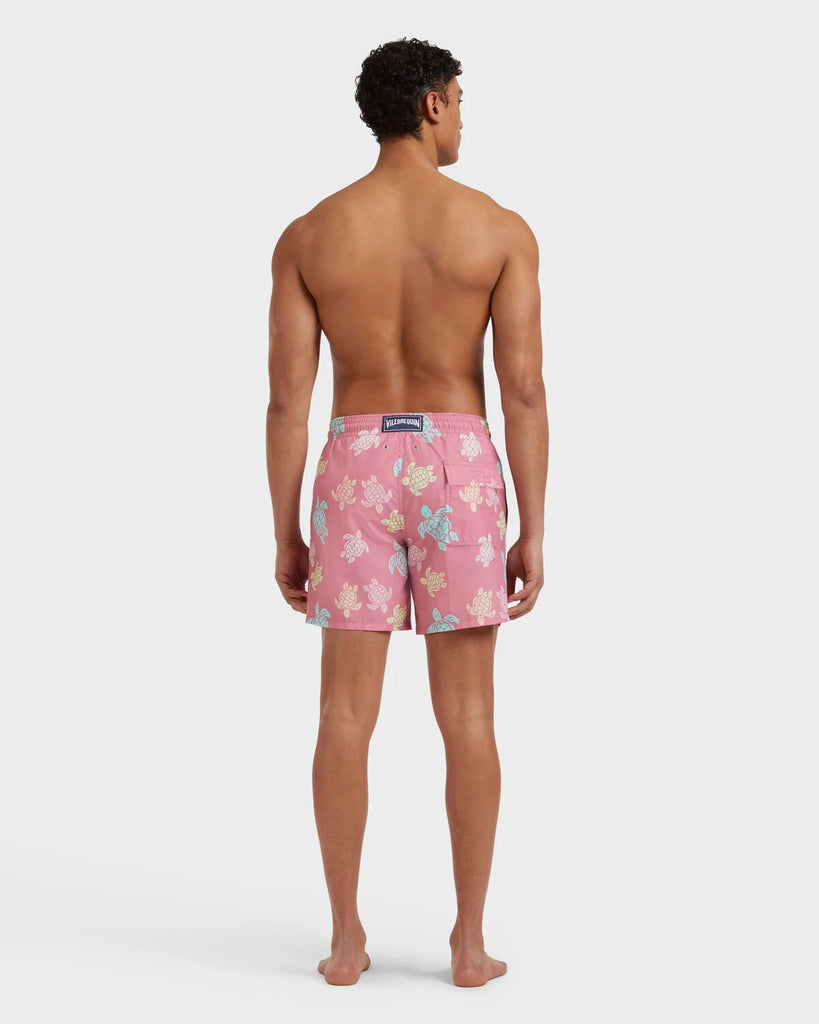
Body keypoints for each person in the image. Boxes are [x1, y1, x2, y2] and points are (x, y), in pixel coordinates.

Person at [266, 37, 549, 988]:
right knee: (467, 714)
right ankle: (467, 946)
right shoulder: (497, 229)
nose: (463, 117)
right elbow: (523, 391)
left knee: (343, 713)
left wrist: (285, 529)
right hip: (458, 466)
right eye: (459, 100)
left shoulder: (310, 235)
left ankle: (346, 942)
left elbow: (285, 402)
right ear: (430, 105)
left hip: (352, 460)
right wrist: (533, 526)